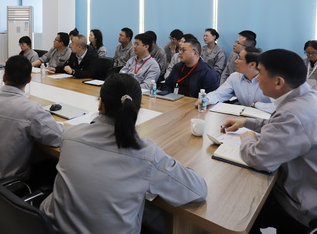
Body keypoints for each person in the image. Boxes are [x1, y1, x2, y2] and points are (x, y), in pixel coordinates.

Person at [40, 74, 207, 234]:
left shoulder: (70, 135)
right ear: (137, 111)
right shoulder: (146, 154)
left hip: (51, 228)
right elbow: (198, 191)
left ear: (100, 104)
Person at [221, 49, 317, 233]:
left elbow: (259, 159)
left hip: (308, 212)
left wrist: (248, 138)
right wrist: (247, 122)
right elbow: (282, 127)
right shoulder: (308, 97)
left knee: (238, 208)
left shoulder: (293, 113)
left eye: (260, 73)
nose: (257, 79)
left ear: (278, 82)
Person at [0, 55, 63, 182]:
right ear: (29, 80)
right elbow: (58, 138)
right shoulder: (31, 110)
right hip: (10, 184)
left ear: (4, 77)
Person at [196, 47, 274, 113]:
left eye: (239, 58)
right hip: (243, 117)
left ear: (252, 64)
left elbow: (277, 107)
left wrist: (256, 105)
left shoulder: (269, 80)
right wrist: (207, 99)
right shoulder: (235, 77)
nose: (235, 61)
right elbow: (219, 94)